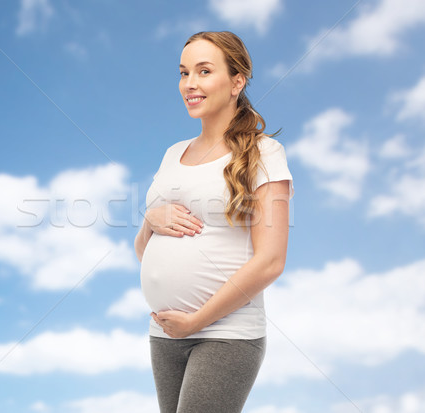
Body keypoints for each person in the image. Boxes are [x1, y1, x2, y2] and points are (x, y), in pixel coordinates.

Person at [134, 31, 295, 413]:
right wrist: (150, 221)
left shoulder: (264, 153)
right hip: (165, 333)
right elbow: (144, 251)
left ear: (237, 81)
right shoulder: (174, 153)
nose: (190, 84)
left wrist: (196, 321)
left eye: (204, 71)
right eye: (184, 72)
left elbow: (271, 261)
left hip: (225, 334)